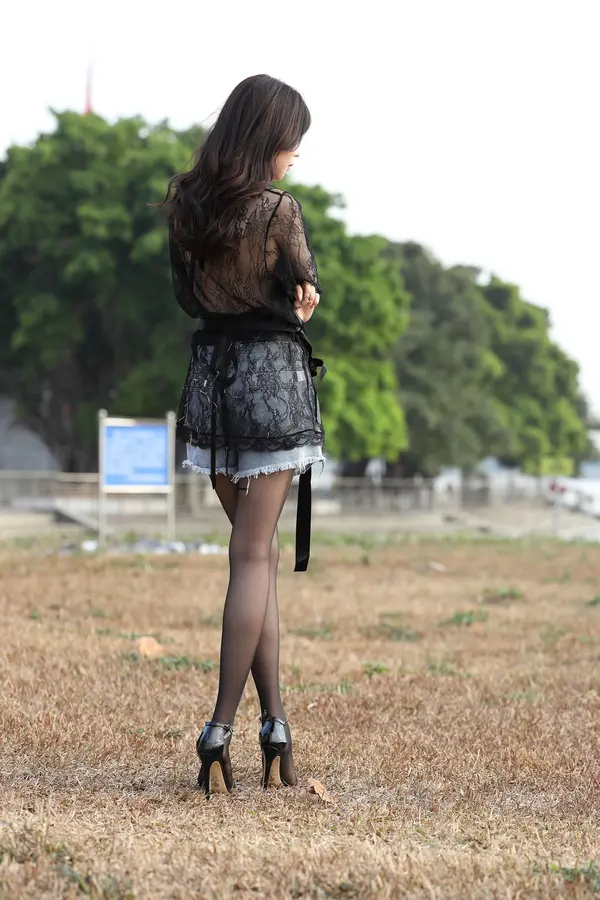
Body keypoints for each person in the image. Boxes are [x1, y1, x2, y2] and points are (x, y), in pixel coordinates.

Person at [163, 75, 325, 795]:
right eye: (293, 141)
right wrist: (303, 306)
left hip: (213, 387)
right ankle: (220, 727)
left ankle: (276, 723)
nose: (296, 154)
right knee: (253, 557)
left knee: (256, 557)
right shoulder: (279, 211)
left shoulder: (186, 205)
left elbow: (187, 299)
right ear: (267, 138)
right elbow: (301, 290)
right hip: (271, 389)